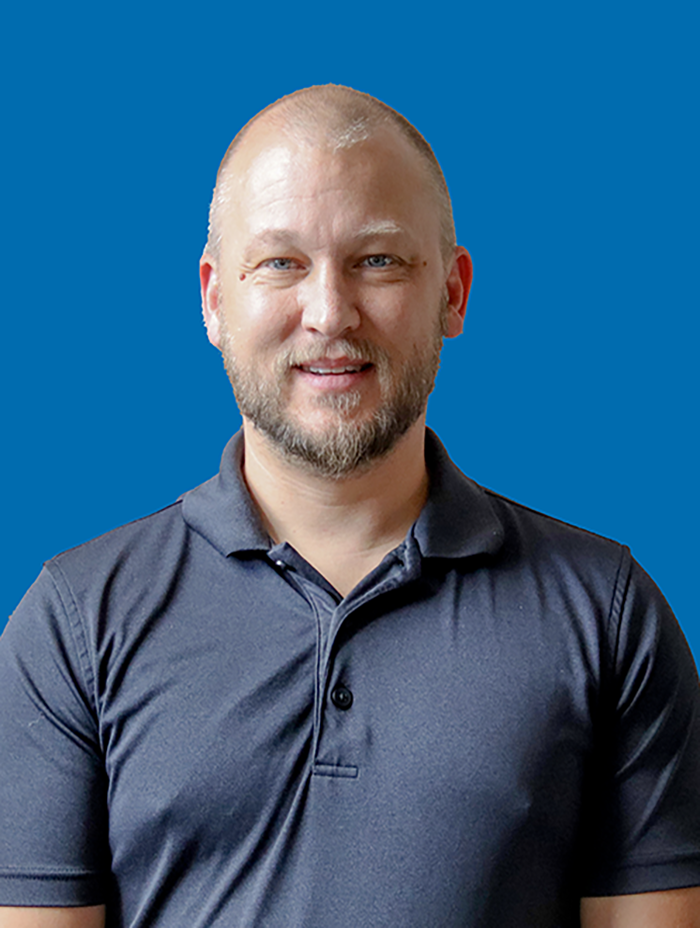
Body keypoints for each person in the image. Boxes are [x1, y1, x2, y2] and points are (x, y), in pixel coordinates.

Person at [0, 85, 698, 928]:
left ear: (453, 293)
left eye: (378, 260)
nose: (330, 313)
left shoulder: (607, 614)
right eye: (281, 263)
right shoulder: (75, 623)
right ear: (215, 299)